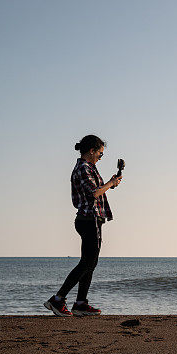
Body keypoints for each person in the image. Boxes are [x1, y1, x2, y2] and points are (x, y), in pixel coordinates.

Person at [44, 135, 122, 317]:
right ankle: (58, 299)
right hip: (89, 219)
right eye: (100, 154)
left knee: (90, 262)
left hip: (90, 219)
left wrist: (110, 184)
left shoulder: (88, 168)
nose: (100, 157)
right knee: (87, 262)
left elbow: (97, 190)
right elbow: (94, 193)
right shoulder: (83, 168)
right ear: (91, 151)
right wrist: (110, 184)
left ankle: (80, 303)